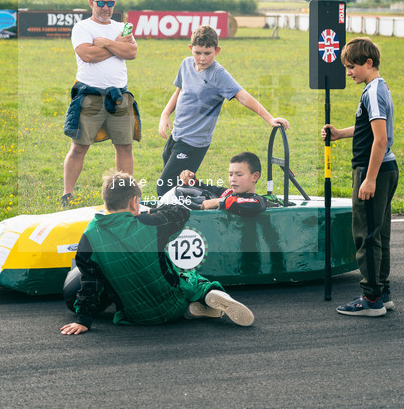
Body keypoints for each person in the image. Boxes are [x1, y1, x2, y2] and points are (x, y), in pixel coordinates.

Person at [60, 170, 254, 335]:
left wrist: (83, 320)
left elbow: (90, 284)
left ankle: (192, 309)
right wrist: (151, 210)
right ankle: (210, 294)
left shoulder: (88, 236)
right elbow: (181, 212)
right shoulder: (151, 223)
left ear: (105, 201)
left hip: (134, 316)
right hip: (171, 306)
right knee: (190, 276)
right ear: (135, 202)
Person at [156, 25, 289, 197]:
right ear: (191, 49)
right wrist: (165, 114)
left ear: (217, 51)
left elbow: (243, 96)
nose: (202, 58)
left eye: (207, 53)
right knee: (179, 186)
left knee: (164, 189)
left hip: (193, 142)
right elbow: (179, 91)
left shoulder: (218, 74)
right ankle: (214, 200)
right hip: (177, 136)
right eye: (197, 53)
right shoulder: (186, 64)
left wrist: (270, 119)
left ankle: (222, 197)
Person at [322, 37, 399, 317]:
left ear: (368, 63)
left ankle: (371, 299)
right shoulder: (379, 87)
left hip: (373, 170)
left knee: (366, 236)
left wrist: (369, 179)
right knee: (379, 235)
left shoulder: (372, 92)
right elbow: (369, 129)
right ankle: (382, 292)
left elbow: (380, 140)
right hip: (384, 169)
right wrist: (340, 134)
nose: (348, 72)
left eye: (352, 66)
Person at [61, 0, 140, 210]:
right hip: (89, 95)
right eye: (101, 3)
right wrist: (116, 47)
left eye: (110, 3)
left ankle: (126, 197)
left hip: (120, 96)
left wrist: (105, 43)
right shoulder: (82, 28)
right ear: (91, 3)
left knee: (125, 147)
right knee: (78, 147)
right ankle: (68, 194)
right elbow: (87, 55)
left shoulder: (122, 27)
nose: (105, 8)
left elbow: (132, 52)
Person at [165, 152, 277, 218]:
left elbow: (253, 205)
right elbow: (208, 189)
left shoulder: (258, 201)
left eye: (239, 175)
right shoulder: (228, 193)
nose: (233, 179)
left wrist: (218, 201)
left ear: (255, 176)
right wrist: (191, 181)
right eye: (231, 174)